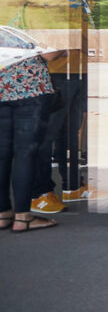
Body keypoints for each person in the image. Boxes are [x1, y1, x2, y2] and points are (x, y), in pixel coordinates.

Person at [0, 25, 58, 233]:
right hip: (30, 88)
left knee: (2, 155)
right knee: (25, 154)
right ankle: (23, 217)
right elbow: (50, 54)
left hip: (1, 87)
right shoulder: (35, 15)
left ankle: (2, 213)